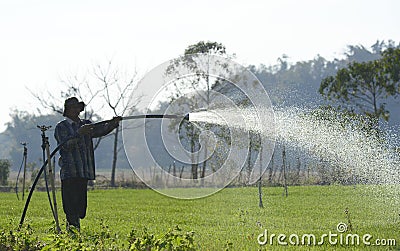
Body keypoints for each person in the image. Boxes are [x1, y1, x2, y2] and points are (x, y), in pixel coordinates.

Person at [54, 97, 121, 231]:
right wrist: (79, 133)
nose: (75, 110)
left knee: (81, 206)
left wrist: (112, 124)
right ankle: (73, 228)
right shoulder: (61, 127)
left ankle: (74, 225)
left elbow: (100, 131)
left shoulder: (86, 124)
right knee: (70, 204)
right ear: (67, 110)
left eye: (77, 107)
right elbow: (65, 146)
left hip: (83, 171)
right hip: (70, 172)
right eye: (72, 107)